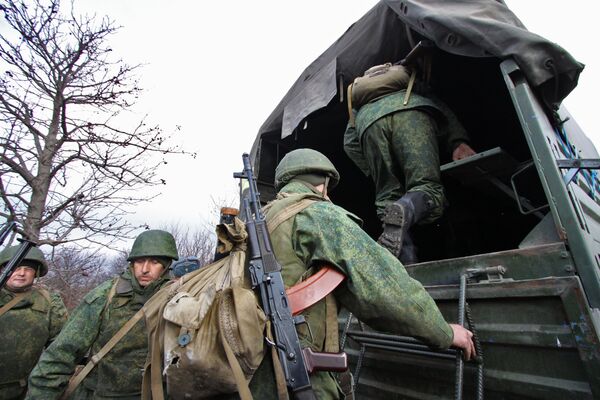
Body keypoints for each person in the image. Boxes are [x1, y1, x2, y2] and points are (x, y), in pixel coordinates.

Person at [245, 148, 476, 399]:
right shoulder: (317, 214)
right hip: (295, 373)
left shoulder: (260, 224)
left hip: (254, 369)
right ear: (322, 184)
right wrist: (444, 332)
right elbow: (385, 289)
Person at [344, 64, 476, 264]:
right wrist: (458, 141)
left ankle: (407, 266)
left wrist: (373, 167)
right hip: (411, 113)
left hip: (369, 125)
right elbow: (439, 106)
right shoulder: (408, 79)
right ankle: (405, 208)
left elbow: (349, 142)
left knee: (388, 198)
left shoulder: (361, 99)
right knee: (427, 187)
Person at [26, 230, 178, 400]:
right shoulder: (105, 296)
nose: (144, 269)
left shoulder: (178, 299)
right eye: (140, 261)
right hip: (99, 394)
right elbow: (61, 353)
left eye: (155, 262)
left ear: (166, 266)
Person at [0, 246, 68, 400]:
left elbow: (61, 347)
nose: (21, 273)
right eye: (16, 267)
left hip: (23, 390)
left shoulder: (49, 302)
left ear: (36, 273)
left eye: (28, 269)